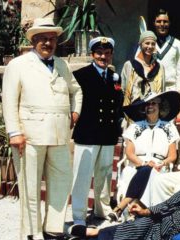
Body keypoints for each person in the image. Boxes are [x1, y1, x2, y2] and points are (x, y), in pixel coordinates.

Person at [2, 18, 82, 240]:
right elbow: (8, 100)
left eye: (52, 39)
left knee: (61, 182)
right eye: (43, 39)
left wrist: (75, 112)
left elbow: (77, 91)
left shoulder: (62, 65)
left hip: (59, 134)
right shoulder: (17, 65)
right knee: (30, 186)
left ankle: (53, 228)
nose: (48, 43)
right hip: (29, 136)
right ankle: (32, 232)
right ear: (34, 40)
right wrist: (14, 132)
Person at [70, 36, 124, 226]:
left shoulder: (114, 77)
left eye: (107, 53)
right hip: (88, 133)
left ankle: (102, 209)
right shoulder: (81, 75)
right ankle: (78, 216)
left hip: (108, 133)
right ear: (93, 54)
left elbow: (116, 103)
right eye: (99, 53)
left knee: (105, 175)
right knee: (82, 177)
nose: (103, 57)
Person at [110, 91, 180, 221]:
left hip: (159, 166)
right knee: (146, 169)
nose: (150, 106)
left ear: (160, 106)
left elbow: (172, 156)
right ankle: (135, 209)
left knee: (150, 170)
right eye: (147, 104)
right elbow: (129, 153)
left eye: (153, 103)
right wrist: (143, 163)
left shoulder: (169, 127)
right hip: (137, 164)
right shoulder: (135, 127)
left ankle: (120, 207)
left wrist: (162, 163)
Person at [121, 30, 165, 111]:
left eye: (153, 44)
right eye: (147, 43)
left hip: (153, 110)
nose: (150, 46)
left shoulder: (159, 67)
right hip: (134, 109)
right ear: (140, 44)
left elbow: (162, 90)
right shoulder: (130, 65)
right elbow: (124, 89)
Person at [153, 8, 180, 91]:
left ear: (169, 23)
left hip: (171, 89)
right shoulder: (147, 45)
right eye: (158, 21)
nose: (162, 24)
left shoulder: (178, 45)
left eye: (165, 21)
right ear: (154, 23)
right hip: (151, 89)